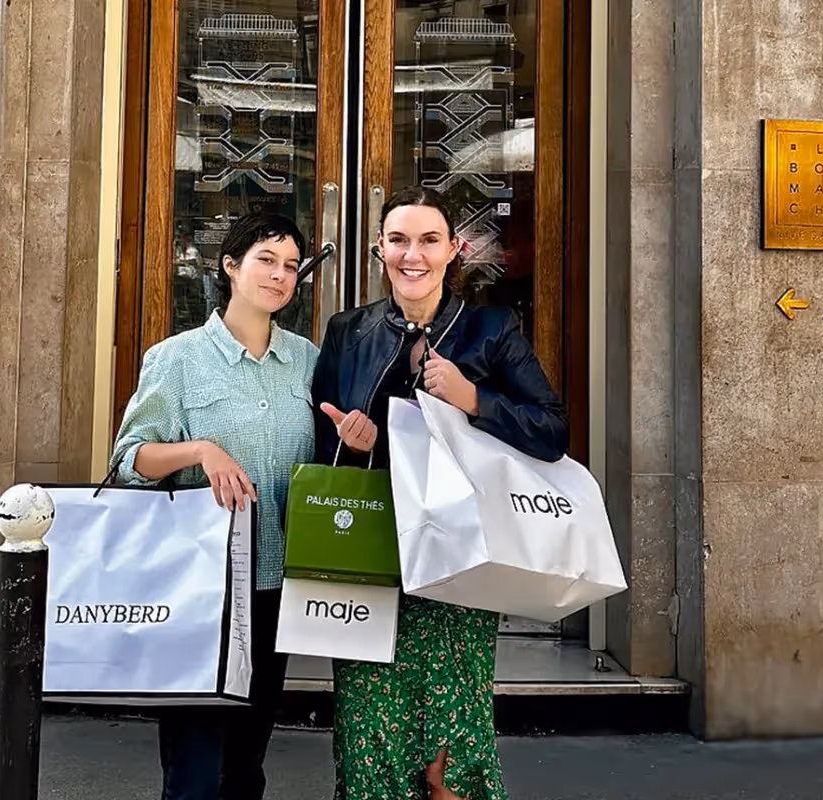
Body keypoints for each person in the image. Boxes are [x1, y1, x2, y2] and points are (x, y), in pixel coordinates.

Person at [311, 186, 569, 800]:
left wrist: (473, 397)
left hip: (459, 562)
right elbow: (322, 450)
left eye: (429, 240)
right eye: (398, 240)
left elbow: (552, 429)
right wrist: (355, 441)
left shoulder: (491, 329)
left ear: (455, 249)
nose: (413, 255)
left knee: (450, 747)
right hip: (369, 552)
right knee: (369, 729)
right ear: (379, 248)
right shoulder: (347, 331)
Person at [110, 212, 318, 800]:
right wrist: (201, 449)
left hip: (274, 586)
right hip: (201, 590)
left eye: (289, 266)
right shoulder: (176, 359)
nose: (279, 276)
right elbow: (130, 459)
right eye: (265, 261)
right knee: (196, 769)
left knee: (246, 765)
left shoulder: (305, 359)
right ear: (230, 267)